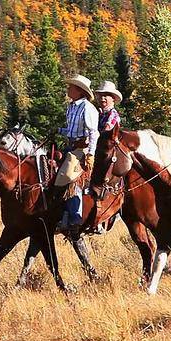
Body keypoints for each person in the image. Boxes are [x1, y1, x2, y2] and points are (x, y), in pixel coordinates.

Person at [53, 74, 100, 239]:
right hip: (71, 147)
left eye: (71, 86)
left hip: (83, 149)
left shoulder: (88, 108)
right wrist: (58, 130)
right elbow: (71, 131)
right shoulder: (72, 107)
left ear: (79, 90)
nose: (68, 89)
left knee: (70, 178)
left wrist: (91, 155)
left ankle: (75, 220)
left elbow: (93, 133)